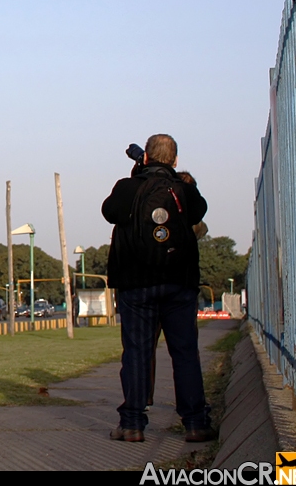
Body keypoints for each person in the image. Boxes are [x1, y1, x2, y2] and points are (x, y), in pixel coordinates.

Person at [102, 134, 213, 443]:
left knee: (137, 352)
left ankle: (133, 423)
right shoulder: (184, 190)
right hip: (179, 283)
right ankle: (195, 422)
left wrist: (138, 175)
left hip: (136, 285)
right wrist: (173, 179)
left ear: (146, 158)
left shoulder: (126, 189)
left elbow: (109, 212)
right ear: (175, 161)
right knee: (185, 353)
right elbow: (198, 210)